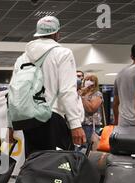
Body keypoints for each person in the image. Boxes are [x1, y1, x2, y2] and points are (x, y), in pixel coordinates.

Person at [9, 16, 85, 157]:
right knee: (57, 166)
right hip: (52, 116)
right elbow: (67, 91)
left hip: (28, 120)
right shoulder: (63, 53)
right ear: (57, 34)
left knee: (34, 164)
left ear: (38, 33)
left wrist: (10, 125)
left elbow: (13, 92)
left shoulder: (22, 58)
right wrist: (75, 124)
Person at [79, 74, 104, 144]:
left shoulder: (97, 94)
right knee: (79, 147)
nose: (88, 81)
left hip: (90, 126)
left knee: (89, 148)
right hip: (79, 124)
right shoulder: (80, 92)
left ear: (95, 83)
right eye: (87, 79)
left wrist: (83, 97)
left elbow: (91, 109)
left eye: (91, 80)